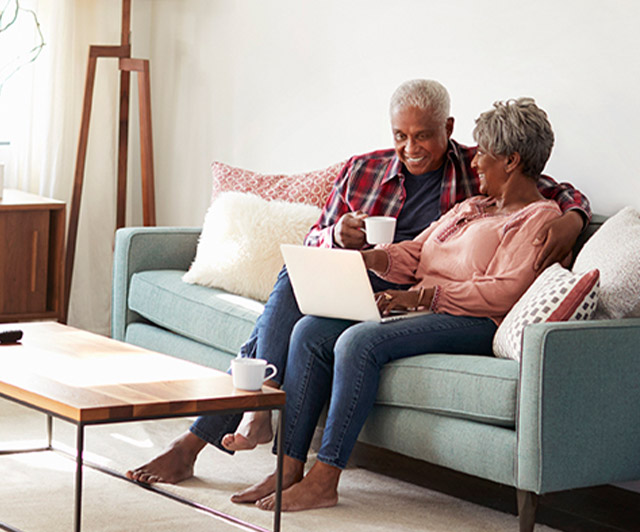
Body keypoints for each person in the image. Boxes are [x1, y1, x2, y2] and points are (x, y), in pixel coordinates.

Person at [125, 81, 590, 485]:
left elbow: (541, 187)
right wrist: (342, 240)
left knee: (323, 330)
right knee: (296, 279)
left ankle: (224, 427)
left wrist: (574, 218)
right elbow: (330, 240)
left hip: (417, 294)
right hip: (373, 272)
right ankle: (260, 424)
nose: (411, 147)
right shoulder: (375, 173)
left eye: (424, 135)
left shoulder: (477, 173)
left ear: (449, 130)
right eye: (400, 136)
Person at [231, 97, 562, 512]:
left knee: (358, 341)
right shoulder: (471, 208)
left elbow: (505, 290)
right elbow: (417, 253)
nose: (475, 163)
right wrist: (369, 258)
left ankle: (325, 477)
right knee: (311, 330)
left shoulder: (539, 218)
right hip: (425, 308)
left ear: (512, 161)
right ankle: (288, 467)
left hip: (473, 319)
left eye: (485, 156)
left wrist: (421, 296)